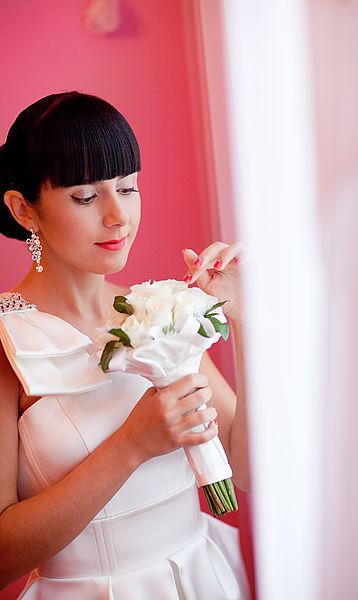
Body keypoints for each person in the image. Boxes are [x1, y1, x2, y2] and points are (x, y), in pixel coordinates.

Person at [0, 91, 251, 598]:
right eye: (86, 197)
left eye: (128, 187)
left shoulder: (160, 310)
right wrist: (131, 446)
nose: (118, 215)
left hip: (202, 578)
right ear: (24, 209)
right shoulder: (4, 342)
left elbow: (245, 470)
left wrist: (244, 324)